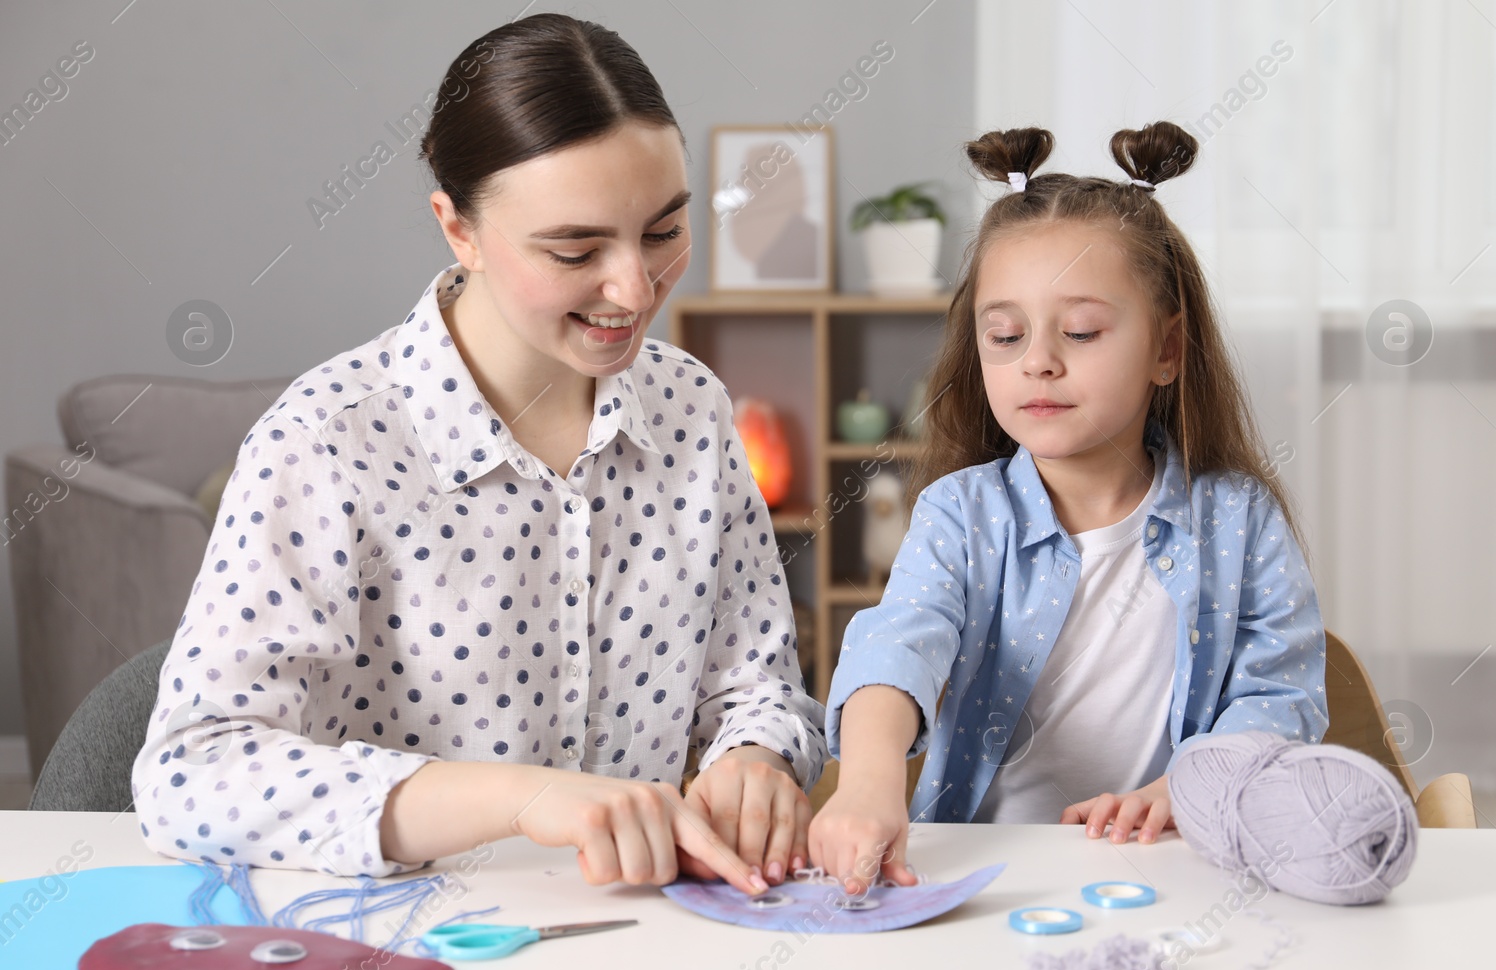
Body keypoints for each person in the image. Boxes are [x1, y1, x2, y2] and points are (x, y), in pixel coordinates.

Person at [132, 13, 824, 894]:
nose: (634, 287)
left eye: (662, 233)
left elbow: (755, 684)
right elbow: (190, 773)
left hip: (651, 946)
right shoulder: (323, 444)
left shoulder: (693, 409)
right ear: (458, 230)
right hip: (398, 959)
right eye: (574, 249)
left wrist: (756, 758)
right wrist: (525, 798)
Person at [807, 123, 1328, 893]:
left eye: (1080, 330)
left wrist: (1195, 787)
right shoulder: (960, 514)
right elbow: (898, 645)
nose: (1038, 359)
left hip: (1177, 871)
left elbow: (1280, 696)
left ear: (1168, 349)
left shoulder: (1240, 519)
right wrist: (868, 781)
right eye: (1006, 334)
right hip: (991, 874)